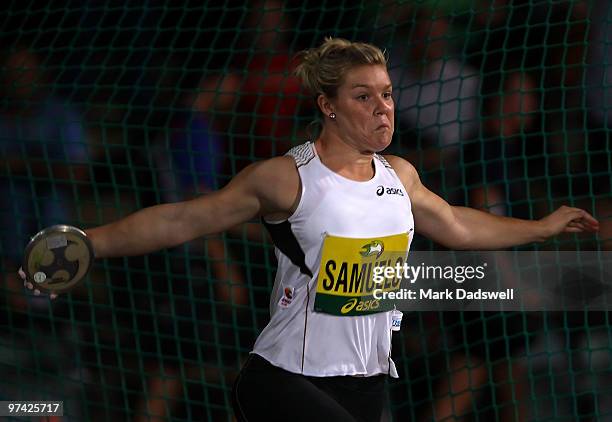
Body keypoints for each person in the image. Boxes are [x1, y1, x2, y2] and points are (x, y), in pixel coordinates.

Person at [22, 38, 598, 421]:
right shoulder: (286, 179)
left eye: (389, 94)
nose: (383, 108)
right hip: (285, 378)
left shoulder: (401, 174)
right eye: (363, 96)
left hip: (368, 382)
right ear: (328, 105)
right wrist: (90, 242)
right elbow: (181, 218)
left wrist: (540, 228)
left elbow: (457, 226)